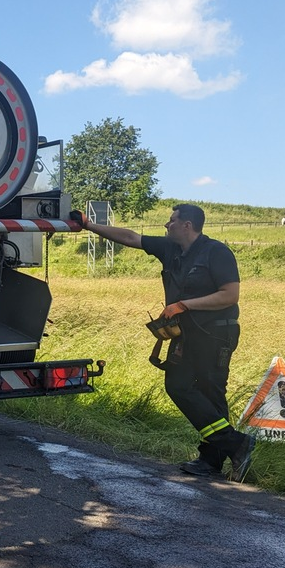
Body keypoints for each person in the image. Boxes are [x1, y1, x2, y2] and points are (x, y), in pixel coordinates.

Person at [70, 203, 256, 482]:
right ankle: (233, 444)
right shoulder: (170, 249)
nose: (166, 226)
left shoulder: (216, 252)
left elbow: (229, 296)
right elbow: (131, 237)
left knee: (210, 391)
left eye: (171, 221)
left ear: (187, 225)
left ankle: (212, 459)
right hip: (187, 334)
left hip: (216, 333)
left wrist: (183, 305)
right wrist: (88, 225)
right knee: (177, 385)